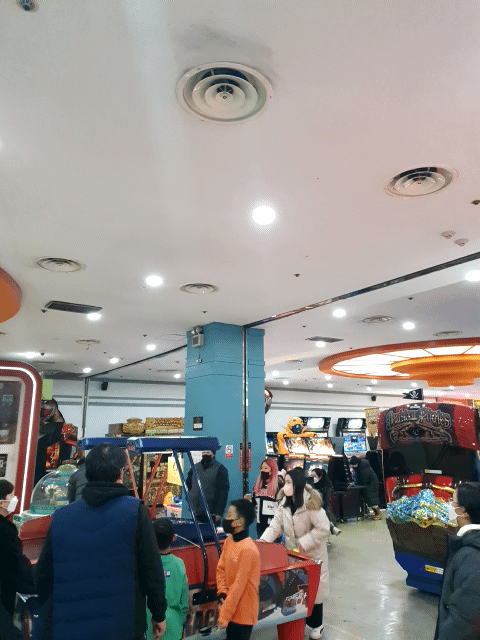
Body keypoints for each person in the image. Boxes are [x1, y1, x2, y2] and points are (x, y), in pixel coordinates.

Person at [35, 443, 167, 640]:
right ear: (120, 473)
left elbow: (43, 576)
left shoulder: (61, 517)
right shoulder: (135, 512)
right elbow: (151, 570)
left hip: (70, 628)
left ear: (87, 473)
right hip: (122, 628)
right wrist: (158, 614)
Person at [260, 467, 329, 639]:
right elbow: (274, 527)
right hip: (293, 556)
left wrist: (303, 543)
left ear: (298, 485)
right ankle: (299, 621)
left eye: (289, 482)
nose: (286, 486)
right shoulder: (283, 504)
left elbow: (323, 528)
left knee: (314, 592)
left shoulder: (311, 504)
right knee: (297, 590)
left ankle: (317, 625)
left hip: (313, 555)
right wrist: (261, 543)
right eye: (285, 482)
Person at [435, 482, 480, 640]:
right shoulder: (465, 545)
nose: (449, 506)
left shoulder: (471, 557)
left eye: (452, 502)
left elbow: (464, 622)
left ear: (463, 512)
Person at [216, 499, 260, 640]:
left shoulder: (248, 550)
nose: (226, 518)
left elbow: (238, 586)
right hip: (230, 608)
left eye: (229, 515)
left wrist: (224, 615)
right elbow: (221, 569)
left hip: (243, 615)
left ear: (239, 522)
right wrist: (222, 593)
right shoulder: (229, 541)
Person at [146, 519, 188, 640]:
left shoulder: (144, 565)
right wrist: (179, 621)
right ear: (173, 538)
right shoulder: (179, 564)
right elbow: (184, 602)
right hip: (174, 629)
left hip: (150, 629)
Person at [0, 479, 34, 622]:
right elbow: (14, 561)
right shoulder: (5, 531)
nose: (14, 498)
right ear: (2, 503)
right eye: (11, 495)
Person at [186, 450, 229, 523]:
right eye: (204, 451)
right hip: (196, 511)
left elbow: (223, 492)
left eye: (208, 452)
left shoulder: (220, 469)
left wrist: (219, 512)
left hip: (212, 513)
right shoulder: (194, 468)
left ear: (213, 454)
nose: (206, 454)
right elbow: (189, 484)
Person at [250, 458, 279, 538]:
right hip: (260, 525)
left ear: (272, 470)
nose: (263, 470)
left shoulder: (278, 486)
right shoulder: (256, 486)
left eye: (266, 468)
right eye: (261, 468)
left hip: (274, 526)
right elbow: (253, 504)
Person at [309, 467, 341, 537]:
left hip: (323, 506)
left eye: (314, 476)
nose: (312, 478)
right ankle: (332, 528)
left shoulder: (326, 486)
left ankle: (331, 529)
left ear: (320, 477)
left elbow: (325, 500)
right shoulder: (311, 485)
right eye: (311, 476)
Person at [349, 456, 381, 520]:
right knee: (361, 497)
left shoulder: (363, 467)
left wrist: (356, 483)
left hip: (371, 484)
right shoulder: (360, 466)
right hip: (368, 484)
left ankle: (378, 514)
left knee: (372, 499)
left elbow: (363, 479)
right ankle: (365, 511)